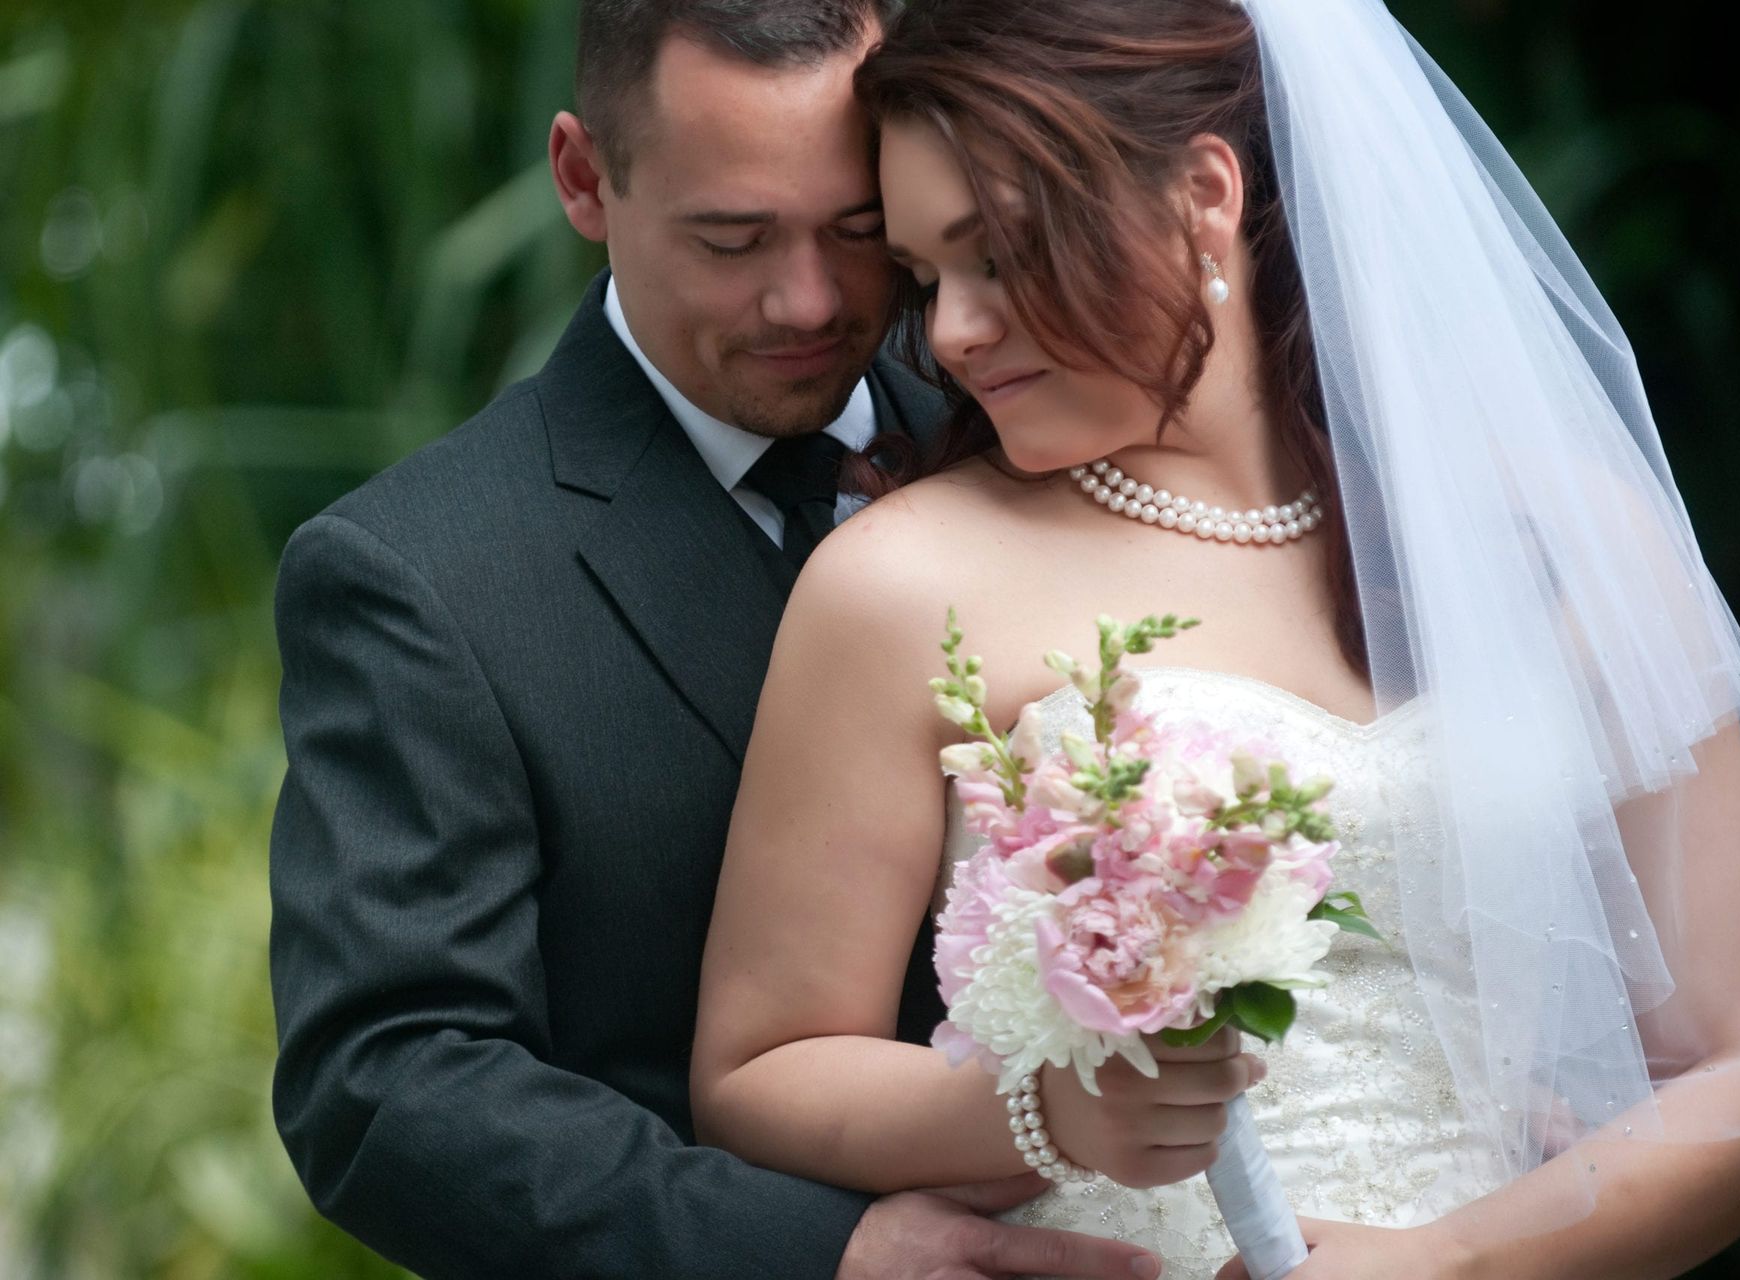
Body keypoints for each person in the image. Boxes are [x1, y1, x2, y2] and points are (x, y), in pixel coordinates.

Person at [689, 0, 1740, 1276]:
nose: (958, 331)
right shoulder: (901, 583)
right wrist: (1047, 1111)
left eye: (1002, 253)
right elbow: (758, 1071)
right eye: (929, 278)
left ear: (1203, 193)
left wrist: (1454, 1261)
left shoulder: (1562, 537)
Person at [268, 2, 1165, 1276]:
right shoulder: (422, 575)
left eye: (859, 230)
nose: (807, 299)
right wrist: (821, 1254)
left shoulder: (1030, 417)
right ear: (585, 177)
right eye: (731, 238)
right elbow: (384, 1081)